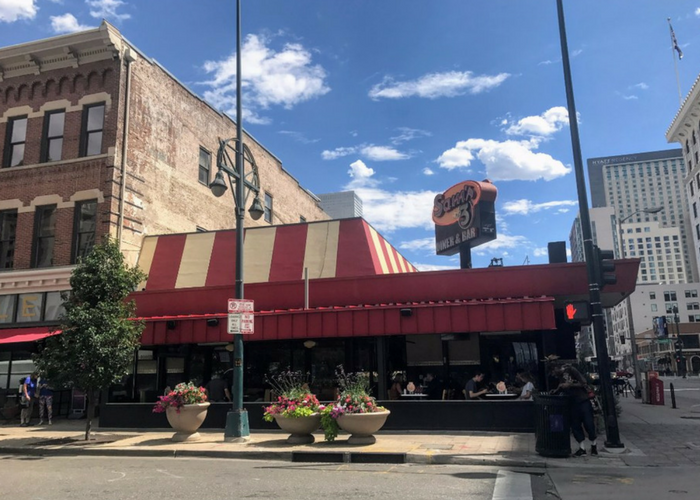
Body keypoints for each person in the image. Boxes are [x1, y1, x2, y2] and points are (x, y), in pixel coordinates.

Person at [551, 364, 597, 457]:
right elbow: (562, 386)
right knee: (575, 426)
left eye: (553, 372)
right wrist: (556, 390)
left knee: (589, 424)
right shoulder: (560, 377)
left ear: (557, 368)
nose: (553, 374)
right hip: (571, 403)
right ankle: (582, 448)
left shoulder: (571, 370)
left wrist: (570, 385)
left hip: (583, 400)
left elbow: (583, 382)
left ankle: (594, 446)